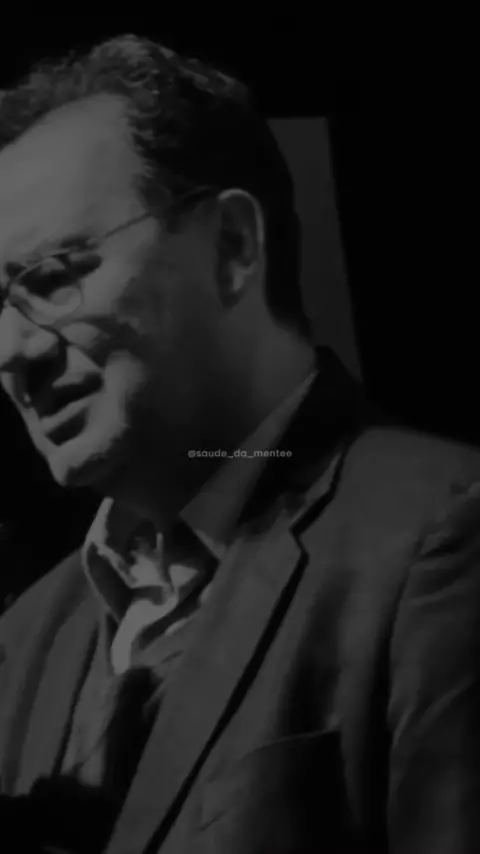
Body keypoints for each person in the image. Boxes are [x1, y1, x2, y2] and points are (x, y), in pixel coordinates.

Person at [0, 34, 479, 854]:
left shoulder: (443, 539)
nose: (13, 352)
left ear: (232, 246)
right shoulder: (23, 637)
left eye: (52, 278)